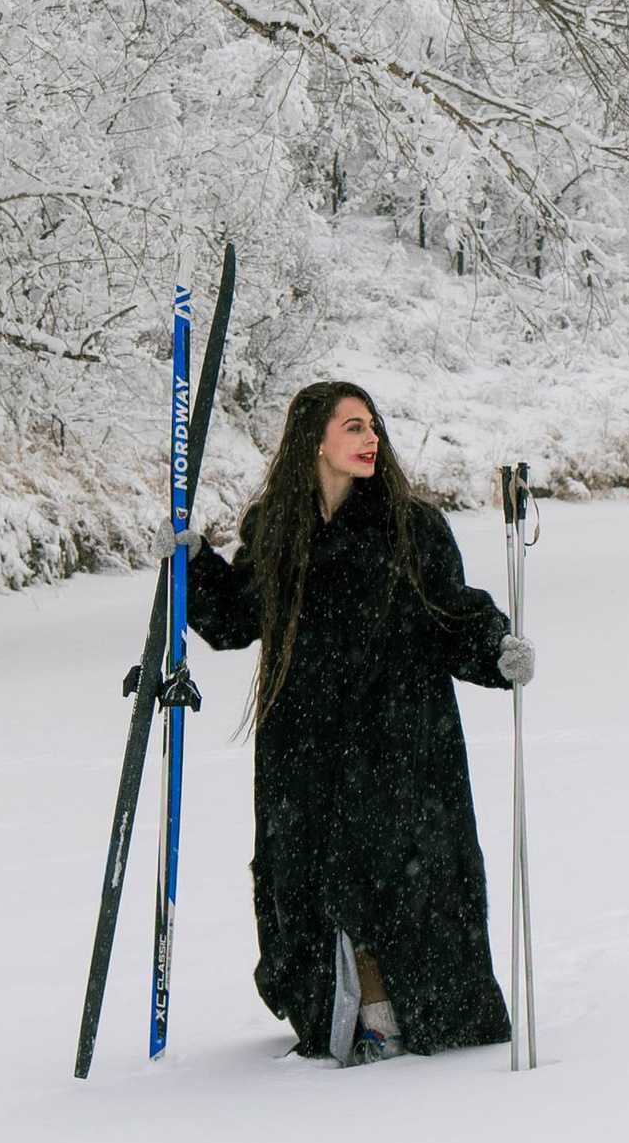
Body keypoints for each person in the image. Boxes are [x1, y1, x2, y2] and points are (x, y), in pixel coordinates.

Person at [183, 381, 535, 1064]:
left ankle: (404, 1018)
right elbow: (234, 619)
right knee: (312, 876)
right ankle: (348, 1017)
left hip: (400, 737)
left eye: (372, 426)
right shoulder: (275, 529)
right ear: (315, 439)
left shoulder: (411, 525)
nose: (370, 438)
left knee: (403, 875)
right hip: (305, 744)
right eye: (353, 427)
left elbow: (450, 614)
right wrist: (194, 568)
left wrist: (496, 648)